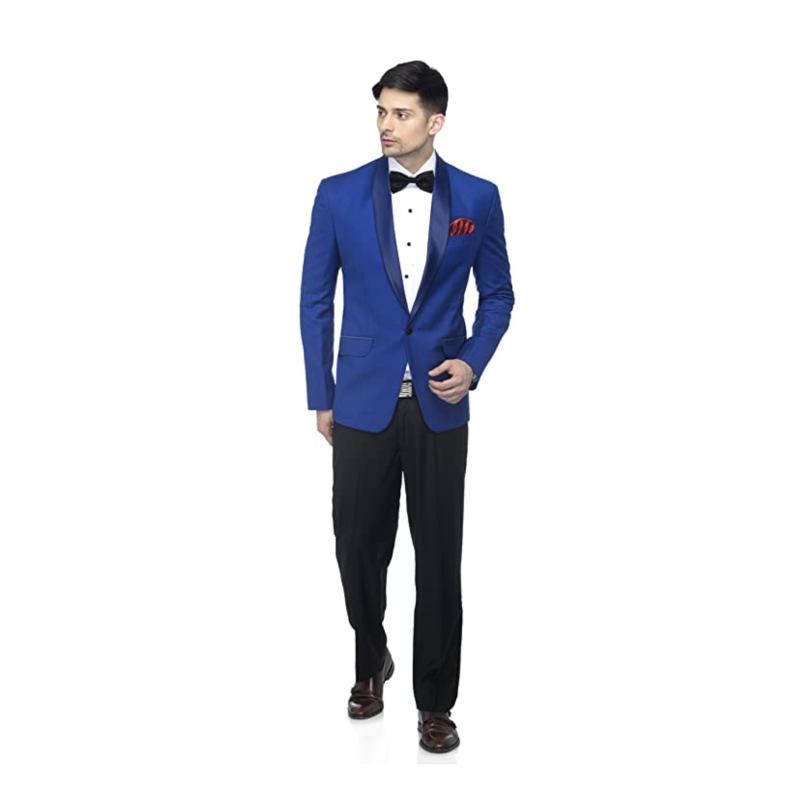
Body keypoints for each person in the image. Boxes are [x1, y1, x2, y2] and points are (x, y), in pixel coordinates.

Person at [299, 60, 514, 754]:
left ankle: (436, 703)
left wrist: (472, 362)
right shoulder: (337, 194)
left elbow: (499, 295)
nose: (385, 125)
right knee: (356, 548)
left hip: (440, 405)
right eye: (381, 112)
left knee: (439, 557)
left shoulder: (478, 197)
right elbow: (315, 299)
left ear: (435, 121)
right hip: (360, 401)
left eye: (401, 113)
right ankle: (371, 660)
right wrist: (321, 396)